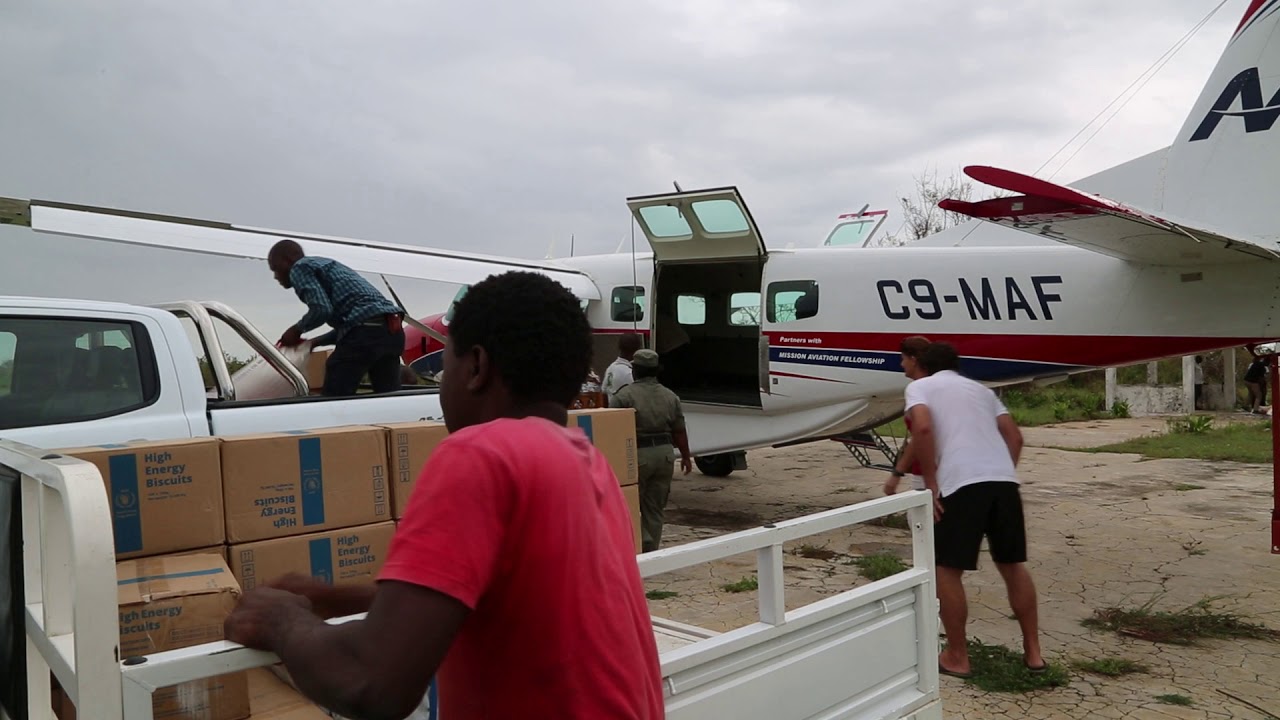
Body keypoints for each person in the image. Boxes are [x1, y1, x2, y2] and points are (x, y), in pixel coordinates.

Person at [223, 271, 665, 719]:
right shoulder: (586, 462)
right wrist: (337, 598)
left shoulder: (481, 454)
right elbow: (486, 594)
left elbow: (371, 682)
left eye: (445, 366)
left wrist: (281, 620)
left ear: (476, 367)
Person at [902, 341, 1044, 678]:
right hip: (1004, 483)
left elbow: (922, 428)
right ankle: (1034, 654)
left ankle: (957, 656)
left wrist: (932, 482)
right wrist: (998, 472)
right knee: (1012, 566)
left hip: (961, 484)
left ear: (924, 365)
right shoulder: (983, 391)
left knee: (947, 569)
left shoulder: (920, 387)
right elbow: (1015, 438)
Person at [267, 239, 406, 396]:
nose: (275, 276)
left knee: (336, 393)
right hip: (392, 332)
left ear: (288, 260)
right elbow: (356, 325)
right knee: (388, 396)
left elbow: (321, 309)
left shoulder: (299, 267)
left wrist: (296, 330)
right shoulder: (327, 265)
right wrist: (314, 342)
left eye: (275, 268)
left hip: (366, 333)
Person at [612, 349, 692, 552]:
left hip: (637, 454)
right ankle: (651, 550)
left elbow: (614, 429)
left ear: (635, 370)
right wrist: (685, 457)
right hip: (664, 455)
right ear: (656, 371)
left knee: (630, 505)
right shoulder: (670, 396)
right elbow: (679, 430)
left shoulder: (624, 396)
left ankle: (640, 544)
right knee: (655, 508)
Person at [885, 335, 931, 495]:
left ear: (913, 360)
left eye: (903, 359)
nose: (902, 364)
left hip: (926, 471)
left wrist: (897, 472)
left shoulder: (918, 390)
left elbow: (921, 434)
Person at [604, 333, 642, 405]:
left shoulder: (610, 368)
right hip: (625, 410)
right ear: (636, 350)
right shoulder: (630, 373)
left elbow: (604, 392)